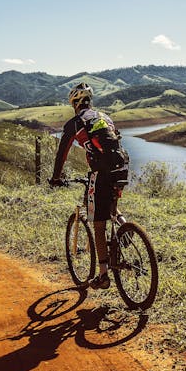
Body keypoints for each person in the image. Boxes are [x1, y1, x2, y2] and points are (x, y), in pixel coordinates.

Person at [49, 82, 129, 290]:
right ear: (89, 101)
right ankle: (125, 227)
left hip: (101, 173)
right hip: (122, 167)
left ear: (74, 104)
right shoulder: (104, 117)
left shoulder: (75, 123)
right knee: (110, 206)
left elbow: (62, 154)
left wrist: (56, 178)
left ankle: (103, 276)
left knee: (99, 224)